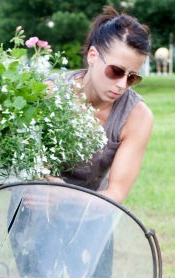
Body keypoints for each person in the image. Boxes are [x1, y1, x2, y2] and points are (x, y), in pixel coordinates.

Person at [59, 6, 154, 204]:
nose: (121, 85)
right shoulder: (50, 92)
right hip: (29, 220)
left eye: (132, 77)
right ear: (93, 55)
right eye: (116, 71)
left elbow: (115, 194)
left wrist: (57, 194)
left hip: (92, 218)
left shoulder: (137, 116)